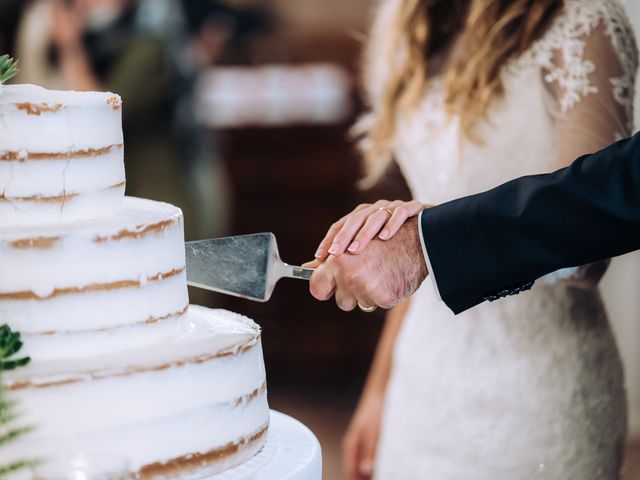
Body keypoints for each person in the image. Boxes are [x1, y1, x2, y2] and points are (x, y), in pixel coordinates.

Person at [307, 1, 637, 479]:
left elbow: (587, 246)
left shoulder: (582, 21)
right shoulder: (407, 21)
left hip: (536, 396)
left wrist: (423, 241)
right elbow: (418, 245)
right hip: (422, 380)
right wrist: (378, 391)